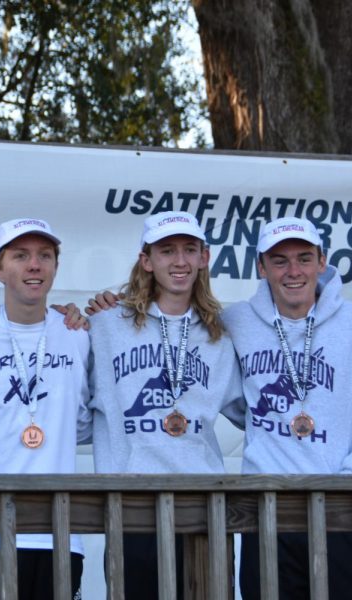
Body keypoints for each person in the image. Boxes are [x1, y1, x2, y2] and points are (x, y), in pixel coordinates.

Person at [221, 217, 352, 599]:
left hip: (342, 515)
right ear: (261, 267)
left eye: (304, 258)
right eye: (279, 260)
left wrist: (343, 485)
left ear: (322, 262)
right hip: (265, 515)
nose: (293, 271)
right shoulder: (235, 321)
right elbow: (227, 395)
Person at [84, 211, 244, 599]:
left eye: (190, 250)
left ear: (204, 258)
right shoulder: (106, 326)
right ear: (146, 260)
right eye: (167, 250)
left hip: (204, 508)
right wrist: (66, 315)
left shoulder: (220, 335)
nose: (180, 261)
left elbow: (252, 412)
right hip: (131, 508)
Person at [0, 218, 90, 600]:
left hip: (59, 536)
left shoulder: (77, 335)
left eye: (45, 256)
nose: (34, 265)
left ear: (56, 267)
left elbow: (86, 423)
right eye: (20, 256)